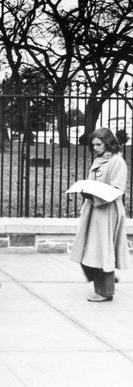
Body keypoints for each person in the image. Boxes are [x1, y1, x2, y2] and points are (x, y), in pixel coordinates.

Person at [70, 128, 129, 302]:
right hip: (93, 210)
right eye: (93, 144)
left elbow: (117, 189)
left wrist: (94, 194)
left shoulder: (117, 162)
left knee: (102, 251)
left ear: (108, 143)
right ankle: (105, 279)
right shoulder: (99, 160)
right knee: (86, 248)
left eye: (99, 144)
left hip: (107, 212)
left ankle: (105, 290)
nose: (95, 147)